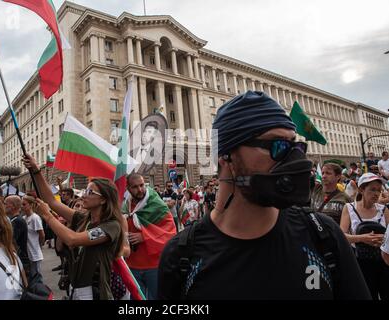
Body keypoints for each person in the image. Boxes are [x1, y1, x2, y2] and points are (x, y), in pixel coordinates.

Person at [158, 90, 370, 299]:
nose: (295, 160)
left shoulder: (323, 235)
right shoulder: (182, 256)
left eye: (296, 147)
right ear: (226, 159)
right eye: (278, 146)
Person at [23, 154, 124, 300]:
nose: (83, 196)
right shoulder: (83, 218)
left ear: (103, 199)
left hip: (96, 293)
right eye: (85, 191)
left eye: (90, 192)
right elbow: (52, 201)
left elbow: (72, 239)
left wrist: (48, 216)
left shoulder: (111, 226)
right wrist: (36, 170)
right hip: (76, 289)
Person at [123, 173, 176, 300]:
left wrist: (144, 236)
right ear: (128, 188)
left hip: (154, 266)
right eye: (135, 187)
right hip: (132, 265)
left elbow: (171, 232)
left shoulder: (157, 205)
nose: (140, 189)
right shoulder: (125, 205)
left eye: (142, 185)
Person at [340, 173, 389, 300]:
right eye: (372, 189)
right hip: (360, 263)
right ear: (362, 189)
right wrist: (362, 238)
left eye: (379, 190)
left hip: (383, 262)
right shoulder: (349, 208)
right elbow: (341, 236)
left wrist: (383, 240)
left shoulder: (384, 210)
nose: (376, 193)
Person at [4, 196, 29, 276]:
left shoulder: (17, 221)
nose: (4, 206)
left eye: (5, 204)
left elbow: (10, 240)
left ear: (13, 206)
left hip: (20, 259)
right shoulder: (14, 220)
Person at [21, 195, 45, 282]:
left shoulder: (35, 218)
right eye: (21, 204)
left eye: (24, 204)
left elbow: (42, 234)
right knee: (30, 277)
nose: (22, 207)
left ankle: (42, 294)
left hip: (34, 252)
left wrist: (39, 245)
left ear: (31, 205)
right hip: (27, 253)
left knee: (37, 277)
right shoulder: (23, 218)